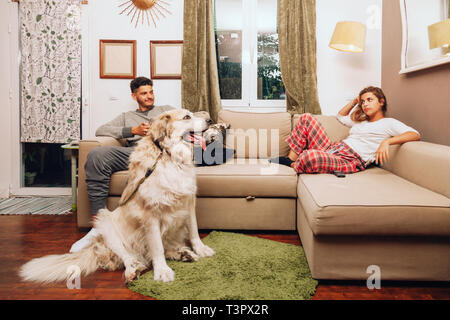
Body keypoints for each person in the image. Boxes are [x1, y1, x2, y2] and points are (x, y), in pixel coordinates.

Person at [70, 77, 174, 253]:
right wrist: (132, 131)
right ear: (134, 96)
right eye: (144, 93)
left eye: (151, 92)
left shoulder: (166, 111)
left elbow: (188, 120)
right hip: (132, 152)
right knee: (96, 154)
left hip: (159, 154)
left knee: (143, 166)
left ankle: (122, 226)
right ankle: (98, 226)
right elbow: (101, 130)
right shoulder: (127, 117)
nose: (149, 96)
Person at [272, 86, 420, 174]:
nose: (365, 104)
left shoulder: (389, 123)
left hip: (350, 159)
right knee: (306, 118)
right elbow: (340, 116)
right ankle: (291, 159)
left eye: (370, 100)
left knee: (310, 156)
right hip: (333, 148)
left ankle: (293, 165)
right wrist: (355, 101)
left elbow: (415, 134)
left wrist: (388, 141)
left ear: (381, 102)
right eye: (363, 102)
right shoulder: (361, 122)